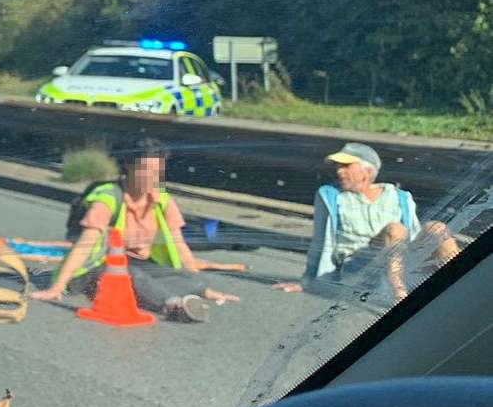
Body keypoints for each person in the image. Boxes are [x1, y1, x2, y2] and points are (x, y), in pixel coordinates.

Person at [29, 138, 239, 322]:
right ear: (129, 167)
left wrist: (201, 287)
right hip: (94, 269)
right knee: (132, 274)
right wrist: (57, 287)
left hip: (138, 263)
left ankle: (187, 293)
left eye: (159, 172)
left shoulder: (161, 199)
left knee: (178, 276)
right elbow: (84, 247)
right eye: (147, 170)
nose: (154, 178)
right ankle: (173, 305)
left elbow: (179, 245)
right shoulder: (109, 198)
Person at [273, 142, 459, 304]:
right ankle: (400, 297)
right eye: (338, 166)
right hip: (358, 265)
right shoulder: (331, 196)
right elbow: (320, 241)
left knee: (437, 228)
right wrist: (307, 281)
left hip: (399, 260)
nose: (339, 171)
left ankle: (461, 283)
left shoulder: (399, 197)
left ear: (367, 171)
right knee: (394, 230)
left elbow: (415, 234)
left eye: (346, 166)